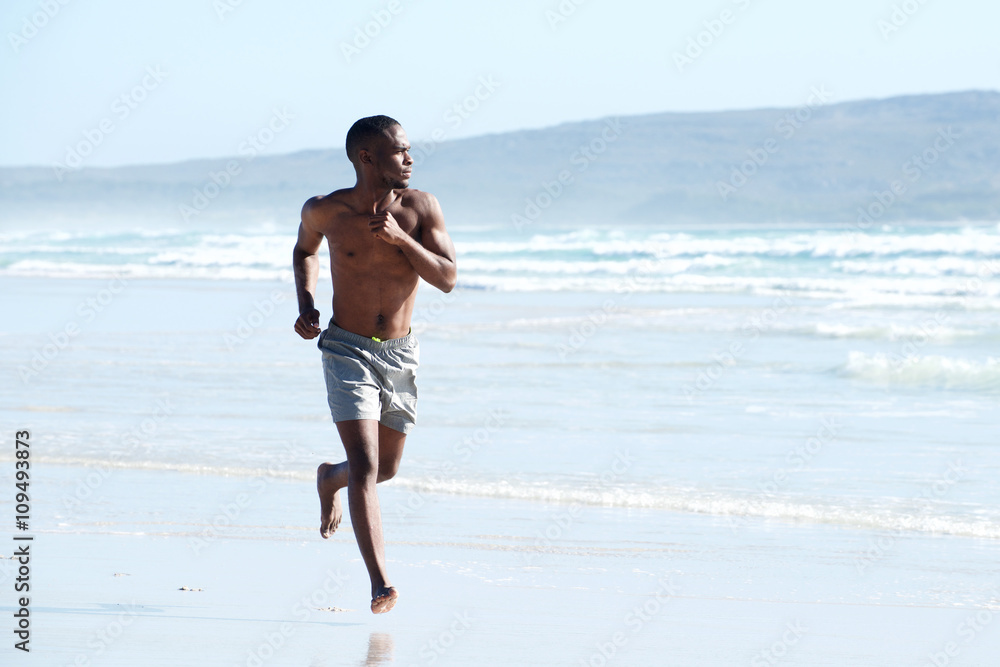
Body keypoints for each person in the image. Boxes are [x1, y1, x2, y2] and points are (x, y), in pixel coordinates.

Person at [292, 115, 457, 614]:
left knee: (382, 470)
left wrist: (401, 241)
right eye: (400, 151)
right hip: (345, 346)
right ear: (368, 158)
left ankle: (329, 479)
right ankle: (380, 582)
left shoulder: (421, 207)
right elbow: (304, 250)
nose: (410, 159)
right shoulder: (325, 210)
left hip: (400, 352)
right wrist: (305, 303)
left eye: (410, 151)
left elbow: (448, 278)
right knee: (366, 464)